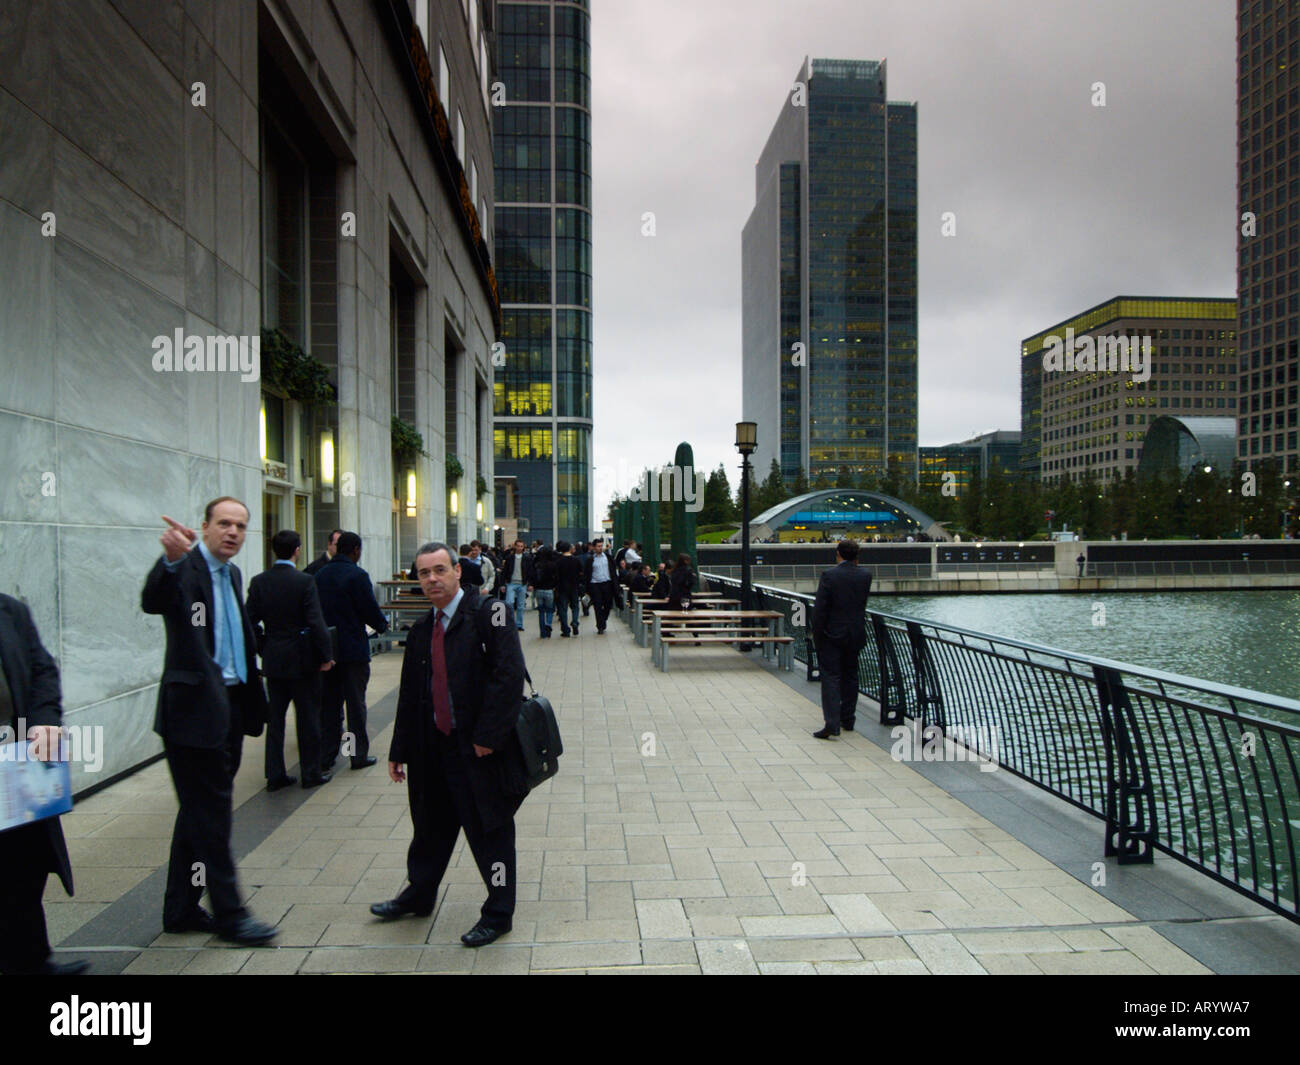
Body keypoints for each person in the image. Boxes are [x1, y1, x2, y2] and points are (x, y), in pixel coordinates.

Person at [372, 543, 526, 948]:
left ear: (459, 571)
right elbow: (411, 693)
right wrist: (399, 749)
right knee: (429, 830)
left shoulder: (489, 613)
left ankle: (498, 912)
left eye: (440, 570)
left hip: (477, 751)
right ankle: (419, 894)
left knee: (490, 834)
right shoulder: (423, 629)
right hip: (431, 750)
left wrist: (487, 739)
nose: (432, 579)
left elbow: (508, 677)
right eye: (424, 574)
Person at [141, 498, 277, 945]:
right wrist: (170, 561)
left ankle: (180, 908)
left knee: (199, 813)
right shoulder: (185, 568)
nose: (233, 532)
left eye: (240, 525)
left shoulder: (232, 573)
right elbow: (152, 600)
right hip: (193, 712)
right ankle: (232, 915)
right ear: (204, 526)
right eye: (224, 523)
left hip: (232, 707)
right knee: (213, 816)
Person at [0, 595, 85, 975]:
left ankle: (31, 960)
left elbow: (43, 671)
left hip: (15, 768)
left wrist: (45, 720)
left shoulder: (11, 611)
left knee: (24, 866)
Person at [246, 529, 335, 791]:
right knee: (308, 717)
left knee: (275, 720)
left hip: (274, 660)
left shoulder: (259, 581)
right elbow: (316, 622)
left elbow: (248, 621)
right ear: (297, 550)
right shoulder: (304, 581)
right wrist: (326, 655)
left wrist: (264, 645)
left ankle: (275, 774)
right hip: (303, 660)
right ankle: (310, 772)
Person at [314, 532, 389, 772]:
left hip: (329, 651)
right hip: (353, 650)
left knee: (330, 706)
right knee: (355, 706)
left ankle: (327, 756)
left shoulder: (320, 575)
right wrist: (382, 625)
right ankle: (355, 755)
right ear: (356, 549)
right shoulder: (357, 575)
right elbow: (368, 608)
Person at [810, 539, 873, 740]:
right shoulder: (865, 576)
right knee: (851, 676)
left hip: (831, 635)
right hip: (855, 633)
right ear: (857, 556)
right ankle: (848, 719)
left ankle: (831, 723)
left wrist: (816, 634)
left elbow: (820, 609)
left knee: (831, 677)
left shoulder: (829, 575)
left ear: (838, 554)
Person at [583, 537, 618, 634]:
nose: (600, 548)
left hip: (607, 583)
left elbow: (613, 571)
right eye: (598, 546)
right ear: (594, 548)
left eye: (601, 546)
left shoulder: (608, 558)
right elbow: (587, 574)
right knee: (597, 605)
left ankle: (604, 618)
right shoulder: (590, 560)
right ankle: (600, 626)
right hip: (595, 585)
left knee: (607, 605)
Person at [496, 540, 530, 632]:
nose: (519, 548)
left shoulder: (527, 558)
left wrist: (530, 584)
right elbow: (504, 571)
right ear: (515, 546)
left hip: (522, 584)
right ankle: (509, 623)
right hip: (511, 583)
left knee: (520, 605)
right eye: (518, 546)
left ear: (523, 547)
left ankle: (519, 624)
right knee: (509, 603)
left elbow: (530, 571)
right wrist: (502, 584)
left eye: (521, 546)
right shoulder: (509, 558)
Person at [555, 541, 583, 637]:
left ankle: (565, 630)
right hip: (574, 586)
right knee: (575, 606)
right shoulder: (576, 560)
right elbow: (581, 573)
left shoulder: (558, 561)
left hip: (562, 588)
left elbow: (556, 576)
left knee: (563, 609)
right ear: (569, 549)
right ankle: (575, 621)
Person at [530, 545, 558, 637]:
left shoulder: (537, 565)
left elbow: (533, 577)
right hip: (549, 590)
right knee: (550, 610)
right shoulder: (553, 565)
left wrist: (533, 586)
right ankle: (548, 624)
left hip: (539, 590)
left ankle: (542, 632)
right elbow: (555, 578)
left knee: (541, 611)